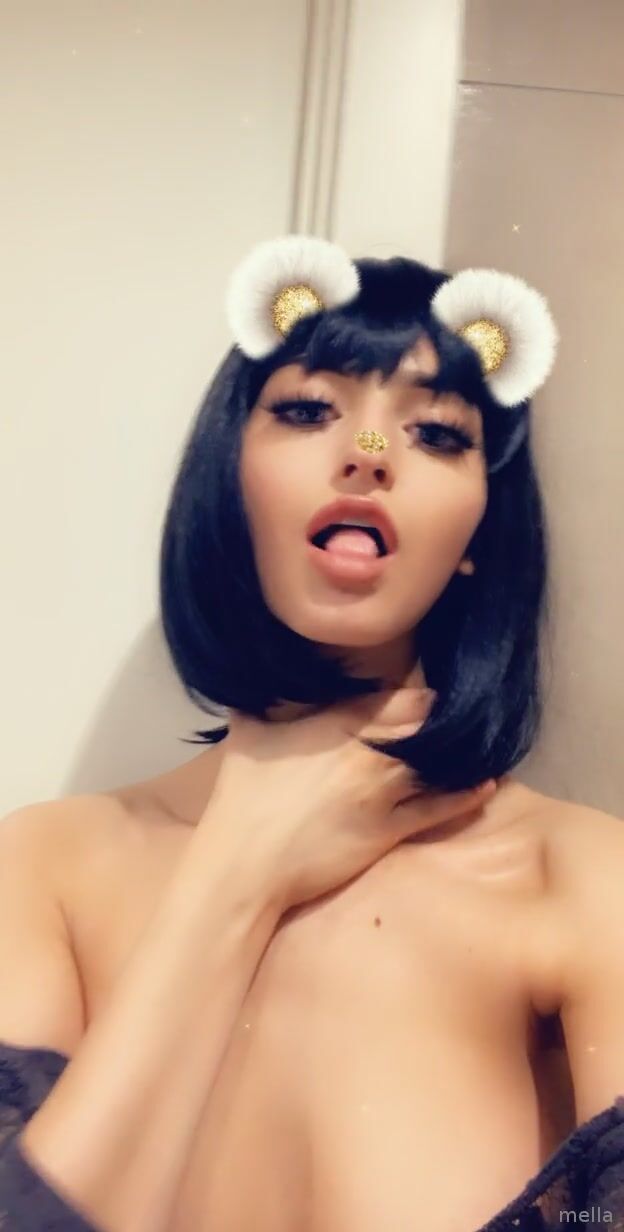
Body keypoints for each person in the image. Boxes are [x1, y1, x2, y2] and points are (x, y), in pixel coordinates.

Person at [1, 233, 623, 1232]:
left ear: (480, 532)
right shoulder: (41, 867)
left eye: (435, 433)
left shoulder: (585, 880)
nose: (367, 453)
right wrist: (237, 874)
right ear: (229, 476)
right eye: (306, 410)